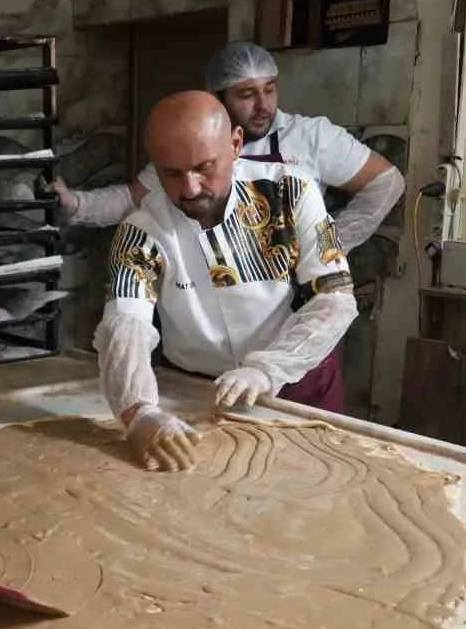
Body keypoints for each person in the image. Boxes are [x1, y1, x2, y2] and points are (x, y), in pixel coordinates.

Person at [97, 93, 358, 471]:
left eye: (204, 168)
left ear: (235, 144)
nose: (189, 188)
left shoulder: (290, 193)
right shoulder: (141, 231)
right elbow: (125, 325)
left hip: (296, 383)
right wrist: (139, 413)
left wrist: (267, 369)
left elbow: (334, 298)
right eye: (171, 173)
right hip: (198, 393)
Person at [56, 42, 405, 251]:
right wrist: (76, 204)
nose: (264, 105)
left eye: (269, 89)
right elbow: (130, 200)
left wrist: (329, 247)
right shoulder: (192, 143)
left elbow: (386, 182)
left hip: (293, 301)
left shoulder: (312, 137)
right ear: (217, 97)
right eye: (247, 94)